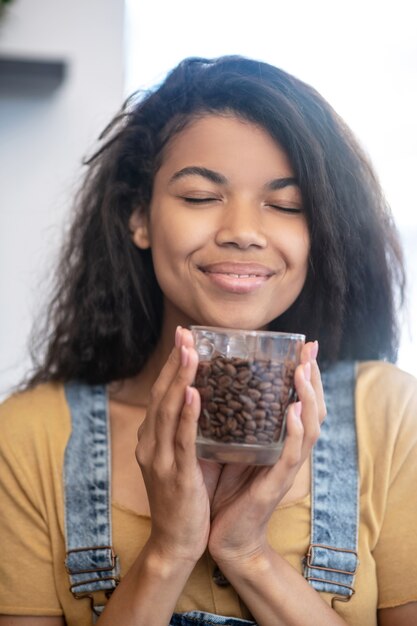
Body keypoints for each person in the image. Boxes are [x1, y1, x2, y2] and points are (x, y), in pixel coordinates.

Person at [0, 55, 416, 626]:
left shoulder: (390, 416)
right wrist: (168, 552)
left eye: (286, 205)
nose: (243, 231)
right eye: (200, 197)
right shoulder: (31, 435)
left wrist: (250, 554)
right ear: (138, 217)